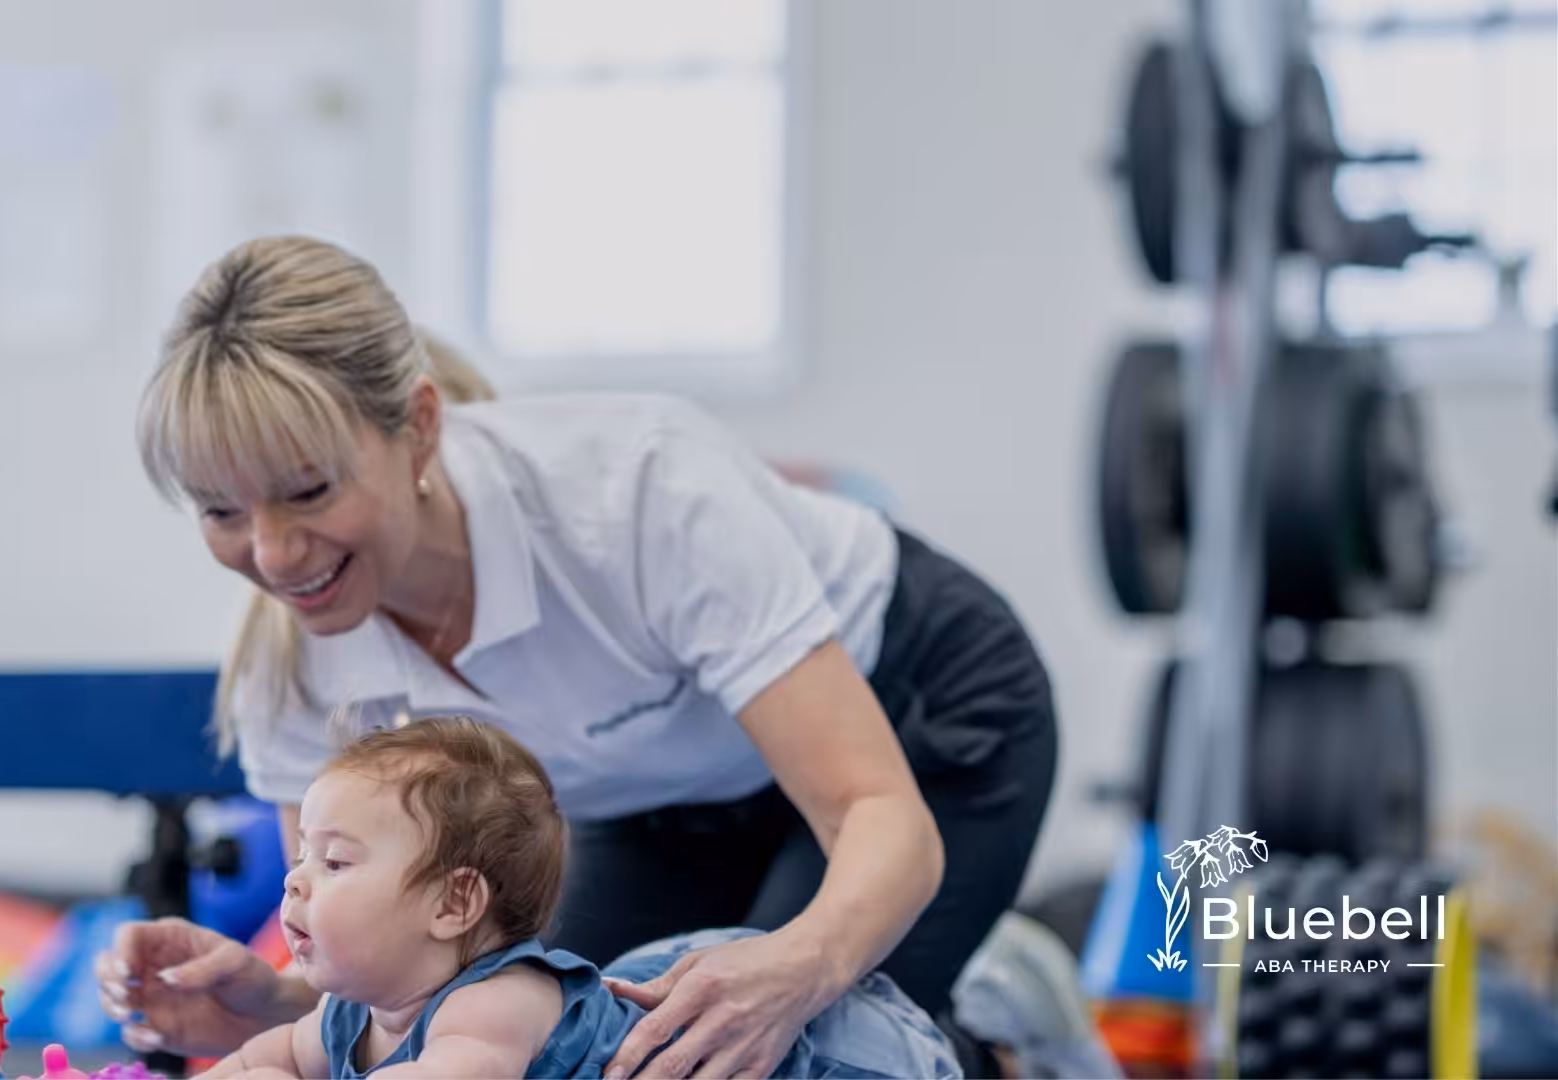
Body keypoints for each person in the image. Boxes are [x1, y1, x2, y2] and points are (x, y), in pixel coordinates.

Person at [100, 234, 1058, 1078]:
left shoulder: (640, 492)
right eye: (222, 511)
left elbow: (876, 811)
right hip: (656, 799)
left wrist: (796, 968)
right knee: (562, 1045)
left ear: (419, 427)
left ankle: (995, 1041)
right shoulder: (292, 660)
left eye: (307, 492)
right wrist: (271, 1004)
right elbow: (398, 975)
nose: (270, 555)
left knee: (760, 1051)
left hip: (914, 720)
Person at [189, 715, 958, 1079]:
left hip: (840, 1062)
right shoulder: (347, 1016)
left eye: (334, 861)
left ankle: (993, 1027)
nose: (295, 880)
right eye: (299, 857)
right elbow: (266, 1060)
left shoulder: (494, 1005)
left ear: (453, 906)